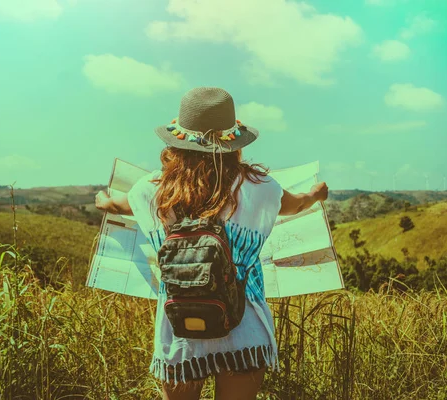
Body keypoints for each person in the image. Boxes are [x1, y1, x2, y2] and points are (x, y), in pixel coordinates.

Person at [95, 87, 328, 400]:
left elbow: (117, 205)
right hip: (243, 328)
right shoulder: (260, 187)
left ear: (176, 142)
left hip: (180, 331)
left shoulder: (152, 190)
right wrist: (316, 194)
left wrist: (104, 200)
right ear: (233, 142)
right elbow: (297, 203)